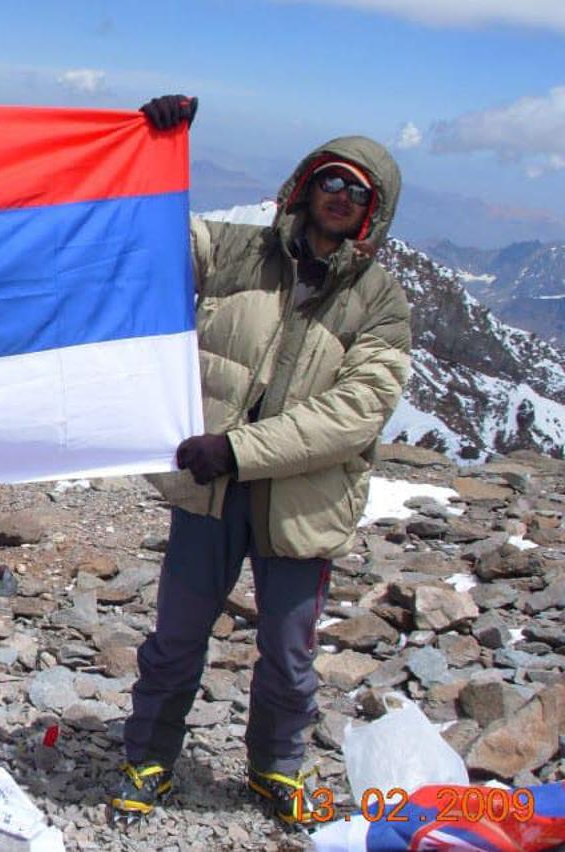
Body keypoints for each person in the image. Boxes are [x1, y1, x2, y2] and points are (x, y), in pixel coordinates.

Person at [111, 95, 411, 825]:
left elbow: (356, 412)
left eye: (356, 191)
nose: (339, 197)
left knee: (287, 651)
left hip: (296, 503)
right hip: (209, 495)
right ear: (306, 185)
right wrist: (153, 144)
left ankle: (274, 768)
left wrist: (237, 450)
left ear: (373, 211)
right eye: (330, 181)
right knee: (177, 635)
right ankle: (149, 756)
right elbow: (153, 236)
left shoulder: (380, 302)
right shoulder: (242, 249)